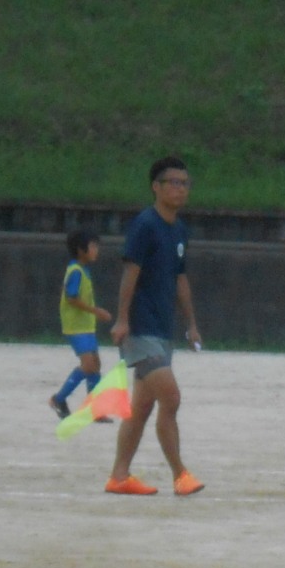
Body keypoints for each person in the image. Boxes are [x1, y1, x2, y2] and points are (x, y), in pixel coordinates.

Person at [105, 156, 205, 497]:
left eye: (185, 183)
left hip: (163, 329)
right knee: (171, 398)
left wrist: (191, 324)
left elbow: (180, 279)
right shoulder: (145, 225)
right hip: (141, 328)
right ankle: (180, 474)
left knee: (142, 408)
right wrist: (122, 318)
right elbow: (130, 273)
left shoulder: (179, 229)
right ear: (156, 187)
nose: (180, 189)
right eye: (173, 182)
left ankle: (119, 476)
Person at [50, 230, 113, 419]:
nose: (96, 250)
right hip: (76, 327)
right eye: (93, 246)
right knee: (88, 365)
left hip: (85, 326)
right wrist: (96, 311)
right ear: (80, 249)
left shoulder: (82, 270)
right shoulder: (76, 271)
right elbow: (72, 298)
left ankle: (94, 409)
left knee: (95, 364)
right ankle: (59, 399)